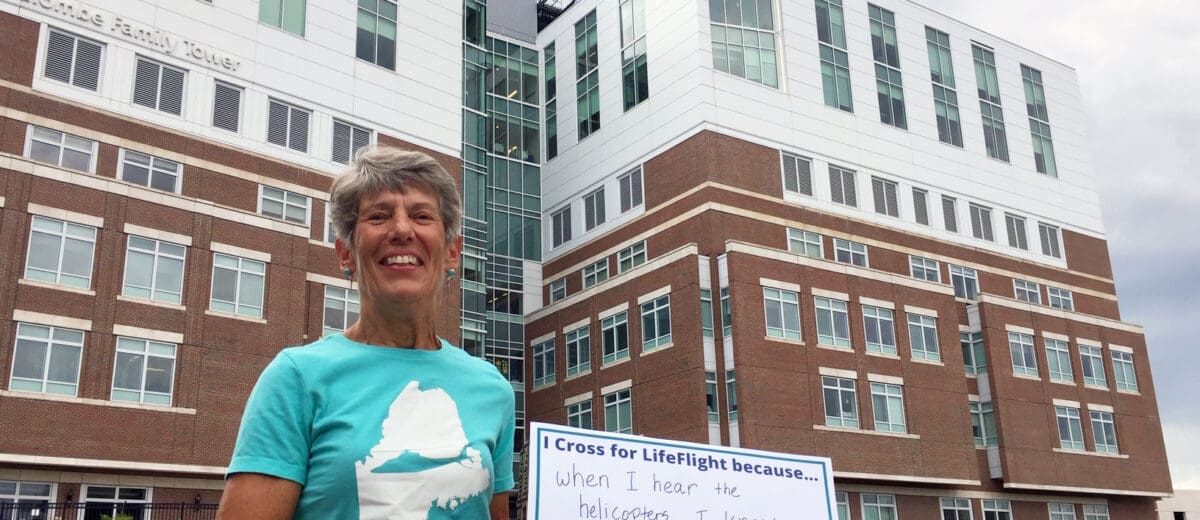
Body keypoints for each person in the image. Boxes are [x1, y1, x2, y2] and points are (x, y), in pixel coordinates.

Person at [217, 146, 515, 519]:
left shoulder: (492, 389)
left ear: (452, 253)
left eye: (422, 215)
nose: (402, 229)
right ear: (346, 254)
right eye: (378, 216)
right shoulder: (296, 378)